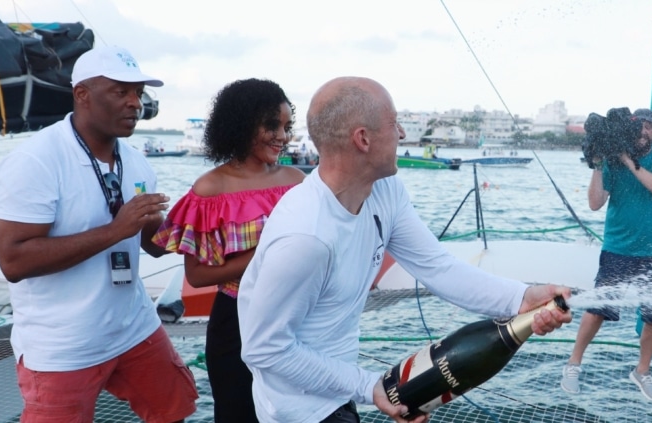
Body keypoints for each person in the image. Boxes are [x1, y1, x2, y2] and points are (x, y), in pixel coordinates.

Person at [235, 77, 572, 423]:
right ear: (363, 139)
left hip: (339, 389)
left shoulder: (385, 191)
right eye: (394, 124)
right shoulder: (306, 237)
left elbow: (438, 266)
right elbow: (265, 348)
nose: (402, 135)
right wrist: (368, 386)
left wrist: (522, 298)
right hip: (298, 411)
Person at [0, 46, 197, 422]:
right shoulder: (36, 161)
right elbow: (13, 260)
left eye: (139, 93)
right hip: (63, 345)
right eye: (121, 92)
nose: (136, 103)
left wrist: (198, 226)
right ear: (82, 94)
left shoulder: (135, 161)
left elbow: (151, 242)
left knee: (174, 411)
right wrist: (117, 230)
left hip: (134, 326)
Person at [151, 78, 305, 422]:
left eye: (286, 126)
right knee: (238, 413)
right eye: (271, 125)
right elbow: (197, 274)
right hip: (235, 320)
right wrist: (261, 255)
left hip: (296, 315)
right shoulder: (210, 189)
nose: (283, 135)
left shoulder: (298, 181)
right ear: (242, 124)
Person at [561, 107, 652, 402]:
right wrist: (599, 163)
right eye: (640, 127)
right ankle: (573, 363)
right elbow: (595, 203)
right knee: (599, 309)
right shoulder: (612, 160)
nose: (644, 132)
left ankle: (642, 371)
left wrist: (629, 160)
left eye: (650, 128)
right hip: (618, 248)